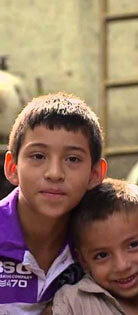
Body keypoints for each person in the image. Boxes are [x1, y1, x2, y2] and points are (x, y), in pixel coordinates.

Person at [0, 92, 106, 313]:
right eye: (38, 156)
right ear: (12, 167)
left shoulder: (104, 242)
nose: (55, 173)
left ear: (95, 174)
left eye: (73, 159)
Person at [51, 178, 138, 314]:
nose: (122, 266)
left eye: (133, 245)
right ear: (83, 261)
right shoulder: (73, 303)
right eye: (102, 255)